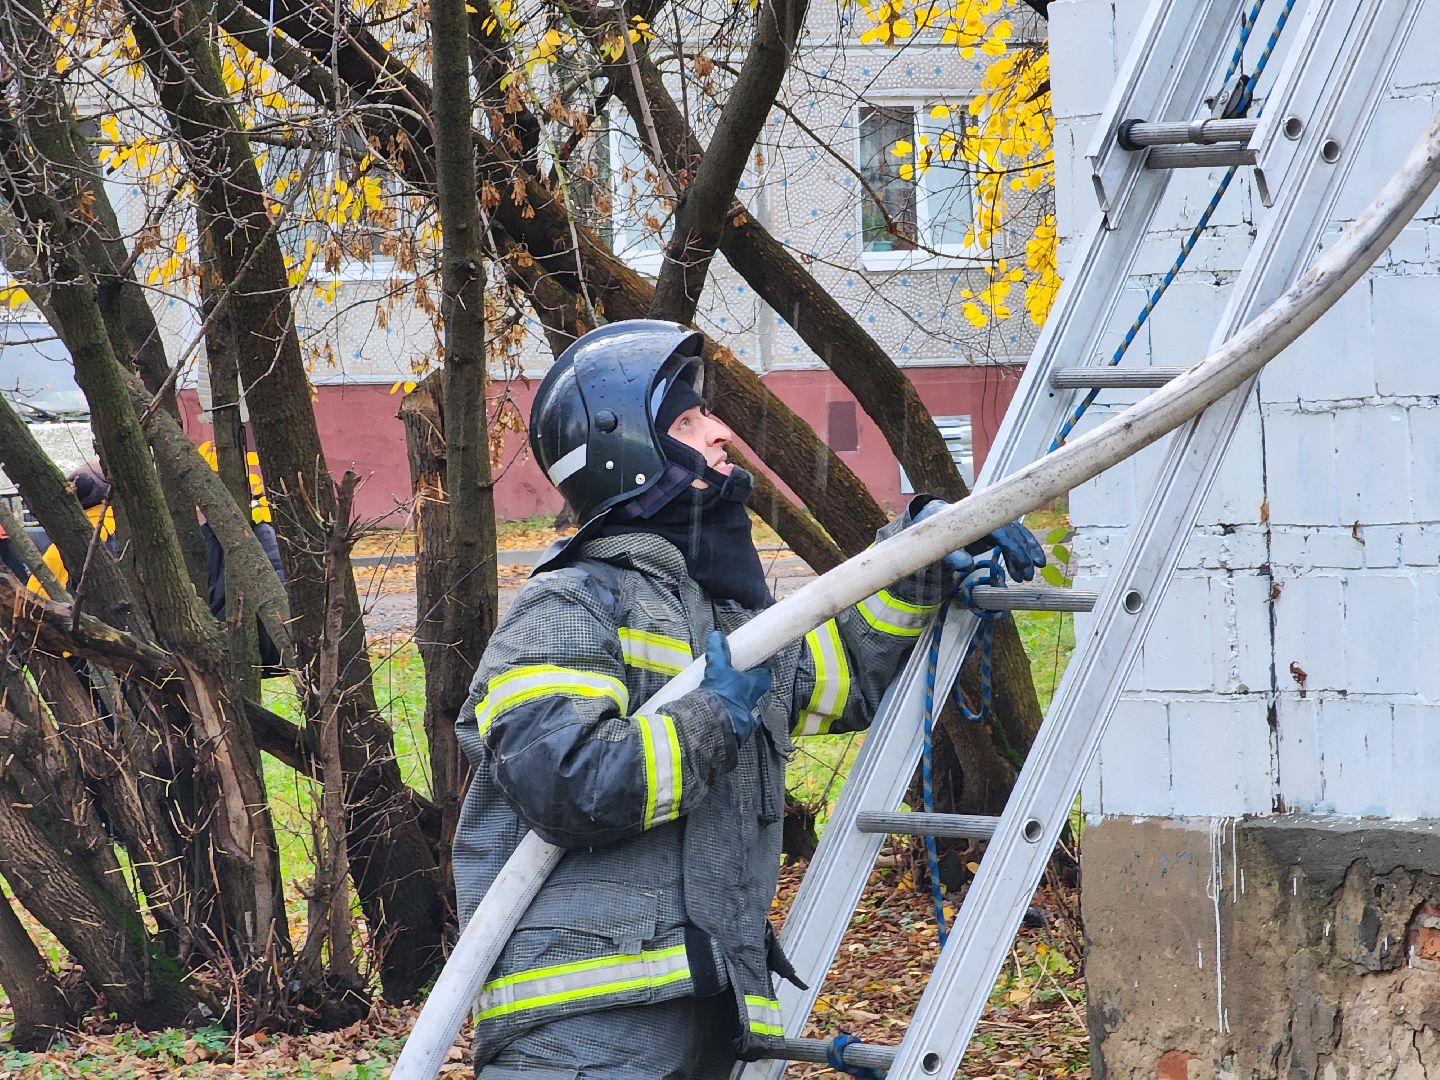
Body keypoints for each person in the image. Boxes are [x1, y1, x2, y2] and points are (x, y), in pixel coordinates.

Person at [452, 320, 1044, 1078]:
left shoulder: (718, 617)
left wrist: (920, 555)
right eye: (690, 419)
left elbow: (844, 672)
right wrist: (710, 719)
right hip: (585, 1037)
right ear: (629, 450)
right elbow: (567, 783)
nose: (721, 431)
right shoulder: (569, 607)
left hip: (708, 1015)